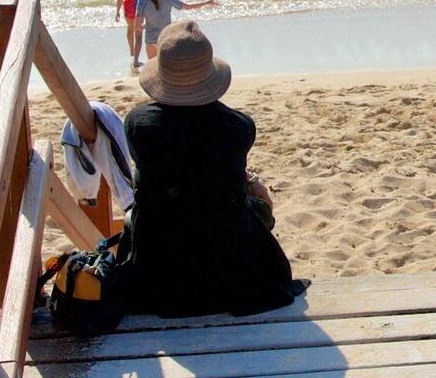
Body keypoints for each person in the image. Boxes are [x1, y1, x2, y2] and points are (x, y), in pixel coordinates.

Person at [121, 21, 301, 318]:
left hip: (160, 275)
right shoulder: (238, 126)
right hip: (228, 272)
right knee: (253, 197)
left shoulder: (138, 124)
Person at [133, 0, 219, 64]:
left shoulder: (142, 2)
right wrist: (206, 2)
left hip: (150, 40)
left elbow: (137, 27)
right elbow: (188, 7)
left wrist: (148, 24)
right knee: (165, 69)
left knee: (153, 69)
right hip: (165, 40)